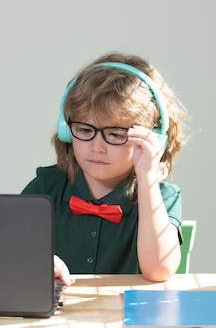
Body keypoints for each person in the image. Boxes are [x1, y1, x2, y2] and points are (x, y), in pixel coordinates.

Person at [21, 51, 190, 285]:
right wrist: (34, 260)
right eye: (85, 130)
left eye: (116, 134)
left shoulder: (162, 197)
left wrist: (147, 177)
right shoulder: (45, 186)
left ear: (153, 139)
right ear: (66, 129)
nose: (97, 147)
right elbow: (3, 250)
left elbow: (159, 270)